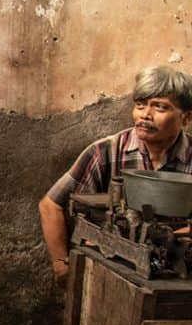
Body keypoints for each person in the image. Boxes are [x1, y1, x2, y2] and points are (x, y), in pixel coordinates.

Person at [39, 65, 192, 285]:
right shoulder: (105, 152)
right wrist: (60, 264)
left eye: (160, 107)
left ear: (185, 117)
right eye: (140, 105)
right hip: (107, 274)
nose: (145, 115)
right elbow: (50, 205)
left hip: (178, 279)